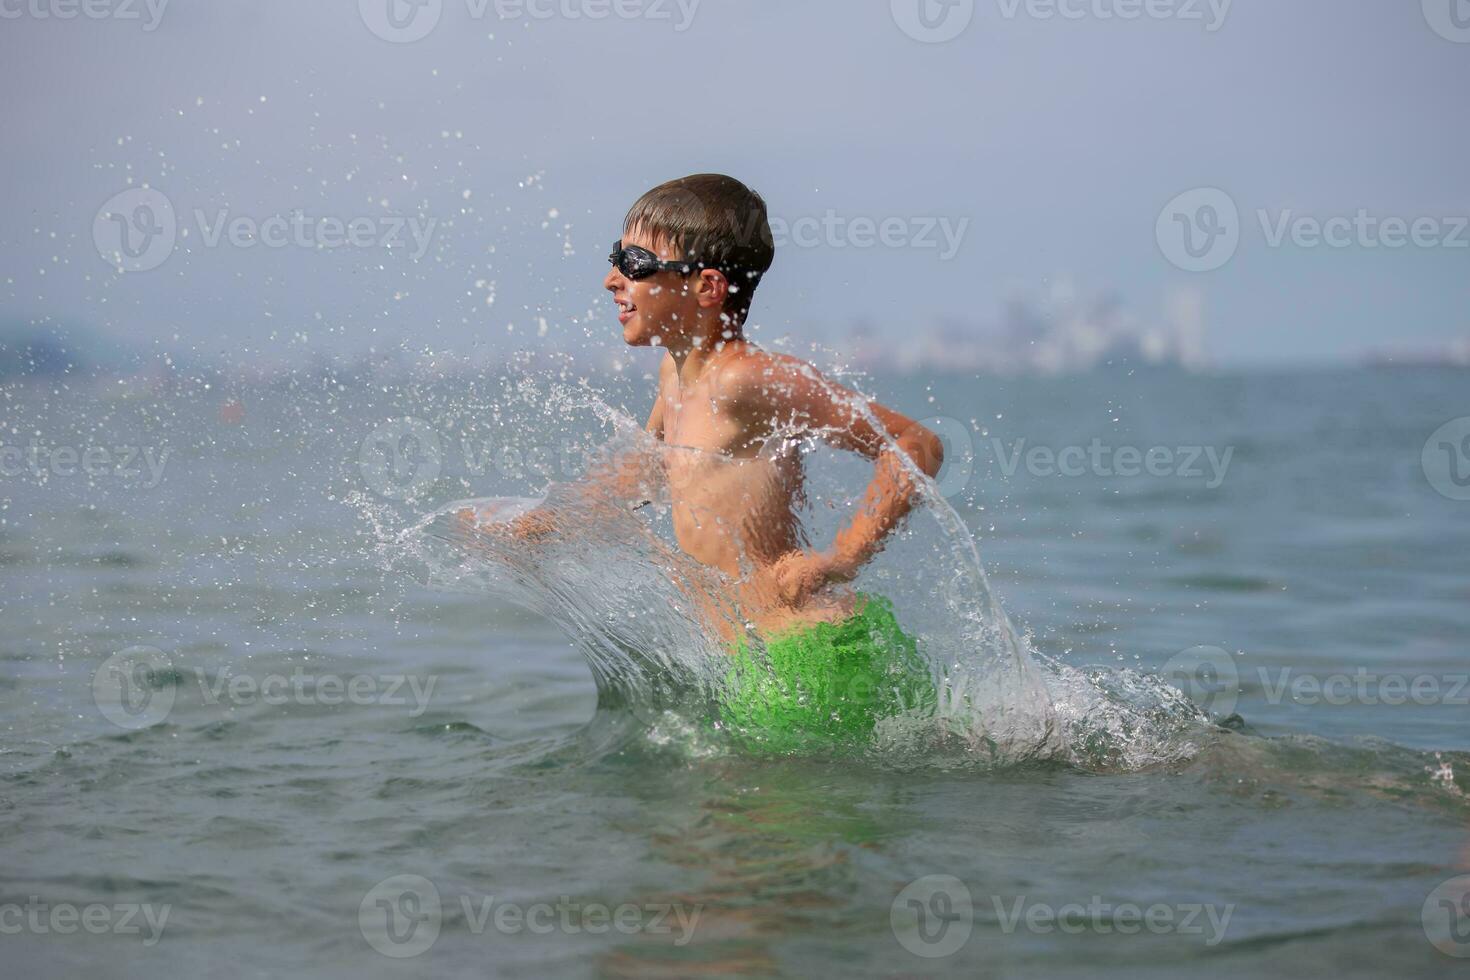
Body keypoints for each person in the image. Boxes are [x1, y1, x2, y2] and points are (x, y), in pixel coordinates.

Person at [468, 173, 945, 747]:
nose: (611, 278)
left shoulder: (747, 379)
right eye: (614, 256)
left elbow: (915, 444)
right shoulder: (676, 376)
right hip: (752, 663)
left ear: (707, 287)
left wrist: (840, 559)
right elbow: (641, 472)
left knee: (769, 831)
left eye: (636, 262)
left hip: (810, 657)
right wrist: (540, 529)